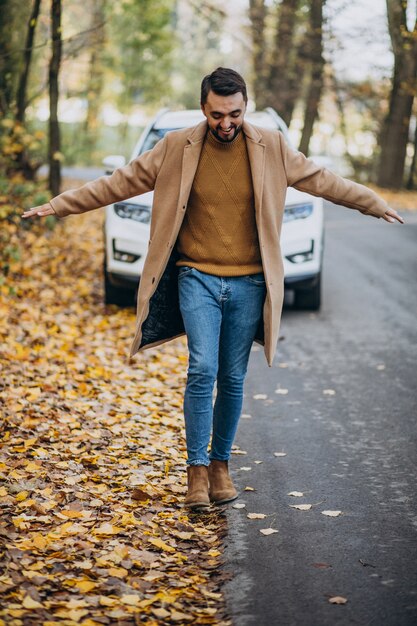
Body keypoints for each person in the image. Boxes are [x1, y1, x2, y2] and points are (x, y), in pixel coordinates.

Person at [23, 67, 404, 510]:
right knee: (202, 369)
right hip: (196, 276)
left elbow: (324, 181)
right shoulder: (176, 147)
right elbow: (119, 183)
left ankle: (221, 464)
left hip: (249, 282)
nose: (227, 123)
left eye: (235, 114)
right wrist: (57, 206)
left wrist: (375, 205)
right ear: (203, 108)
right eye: (217, 114)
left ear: (247, 107)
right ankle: (196, 473)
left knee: (233, 376)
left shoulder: (272, 146)